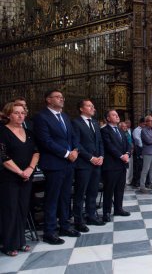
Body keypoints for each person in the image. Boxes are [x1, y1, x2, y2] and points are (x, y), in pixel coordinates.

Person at [33, 89, 80, 244]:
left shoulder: (65, 116)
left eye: (62, 97)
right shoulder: (41, 117)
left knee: (65, 197)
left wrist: (74, 150)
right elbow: (46, 141)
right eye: (57, 97)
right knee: (52, 198)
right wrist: (67, 153)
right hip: (54, 163)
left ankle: (65, 226)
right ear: (48, 99)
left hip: (68, 163)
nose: (61, 99)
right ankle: (50, 231)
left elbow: (72, 136)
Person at [0, 102, 39, 256]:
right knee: (10, 210)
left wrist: (29, 169)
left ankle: (21, 241)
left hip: (26, 176)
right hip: (9, 177)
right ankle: (8, 244)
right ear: (8, 115)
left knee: (23, 209)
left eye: (22, 113)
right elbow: (3, 156)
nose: (20, 115)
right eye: (16, 113)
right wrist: (19, 172)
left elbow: (36, 152)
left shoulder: (29, 132)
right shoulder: (2, 131)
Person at [72, 99, 105, 232]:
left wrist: (101, 156)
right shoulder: (75, 123)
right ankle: (78, 221)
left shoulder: (95, 123)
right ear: (81, 108)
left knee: (93, 192)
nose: (93, 108)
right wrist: (90, 158)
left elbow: (100, 142)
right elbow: (76, 144)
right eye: (89, 106)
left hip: (97, 163)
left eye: (93, 106)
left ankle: (91, 215)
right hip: (84, 163)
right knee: (80, 193)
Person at [101, 109, 130, 222]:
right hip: (111, 165)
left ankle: (118, 209)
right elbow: (109, 146)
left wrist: (127, 154)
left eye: (117, 115)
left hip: (122, 164)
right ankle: (106, 212)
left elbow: (128, 144)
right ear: (108, 118)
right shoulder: (105, 130)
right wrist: (121, 156)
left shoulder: (120, 130)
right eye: (114, 115)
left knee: (119, 189)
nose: (117, 116)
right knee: (109, 189)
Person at [132, 117, 145, 187]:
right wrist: (142, 146)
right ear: (140, 123)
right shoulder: (136, 130)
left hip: (144, 149)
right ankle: (136, 181)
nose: (144, 125)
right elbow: (137, 139)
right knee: (138, 166)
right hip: (139, 149)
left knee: (143, 166)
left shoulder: (144, 129)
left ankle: (141, 181)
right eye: (143, 124)